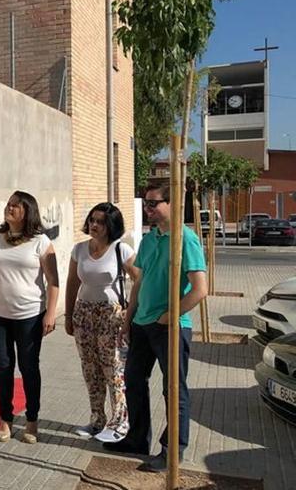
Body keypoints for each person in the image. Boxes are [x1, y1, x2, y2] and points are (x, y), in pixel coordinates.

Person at [103, 183, 208, 473]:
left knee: (173, 390)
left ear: (173, 204)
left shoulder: (185, 240)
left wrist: (170, 315)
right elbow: (140, 282)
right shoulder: (149, 240)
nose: (148, 209)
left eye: (153, 204)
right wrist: (128, 320)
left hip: (170, 327)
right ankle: (136, 439)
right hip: (141, 325)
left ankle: (172, 450)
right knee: (134, 381)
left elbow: (200, 289)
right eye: (146, 204)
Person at [0, 191, 59, 444]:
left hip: (30, 316)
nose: (8, 208)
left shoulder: (41, 242)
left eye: (15, 206)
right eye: (8, 205)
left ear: (27, 212)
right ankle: (5, 419)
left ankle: (31, 421)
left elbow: (53, 281)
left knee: (29, 367)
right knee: (3, 367)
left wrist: (51, 313)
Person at [65, 203, 137, 443]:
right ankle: (97, 420)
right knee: (90, 369)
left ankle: (120, 421)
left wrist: (130, 315)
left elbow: (140, 279)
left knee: (113, 370)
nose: (94, 225)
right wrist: (68, 316)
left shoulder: (121, 250)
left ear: (111, 226)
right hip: (84, 315)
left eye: (101, 222)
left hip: (111, 316)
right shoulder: (79, 250)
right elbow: (72, 284)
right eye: (92, 220)